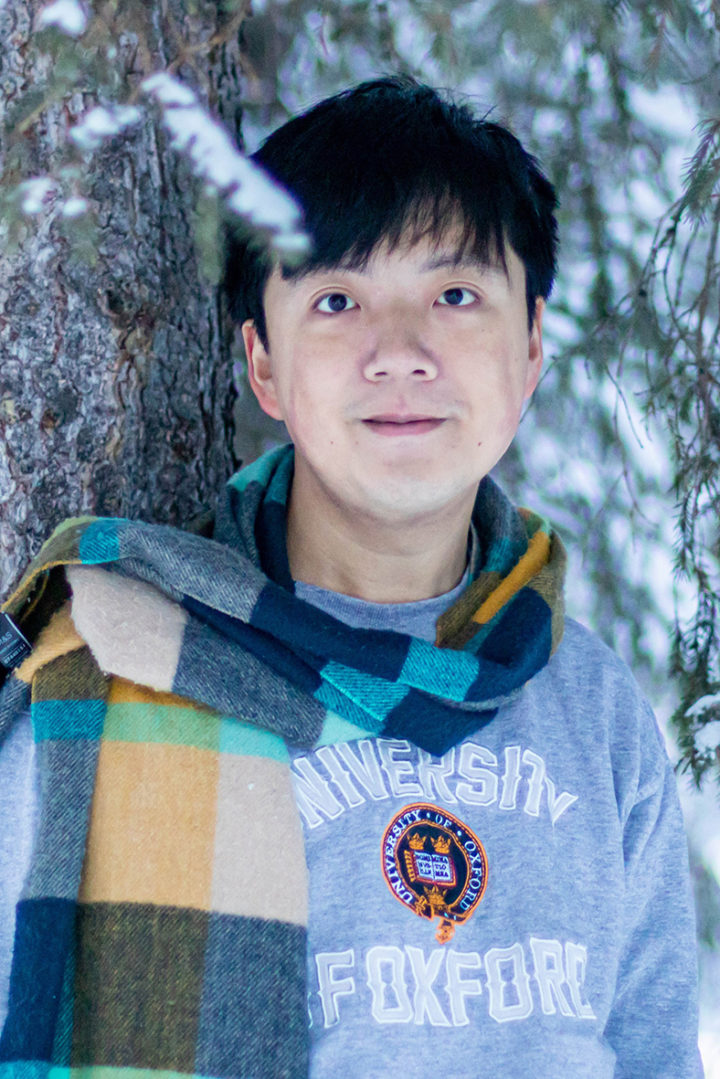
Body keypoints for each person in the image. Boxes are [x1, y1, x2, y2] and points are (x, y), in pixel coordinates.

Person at [0, 76, 702, 1078]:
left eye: (455, 295)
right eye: (337, 299)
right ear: (264, 366)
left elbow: (653, 1053)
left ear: (532, 347)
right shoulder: (113, 676)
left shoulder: (590, 708)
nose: (401, 352)